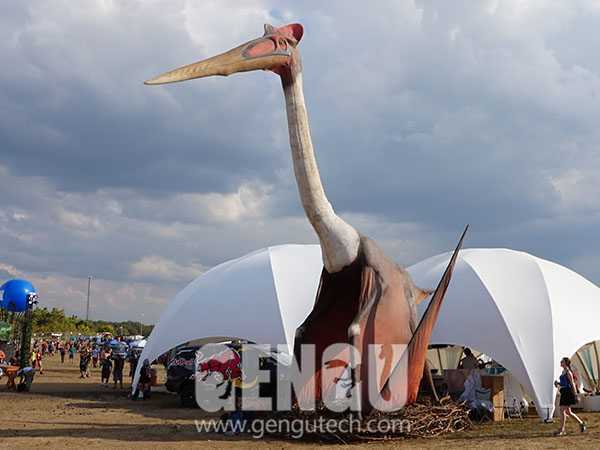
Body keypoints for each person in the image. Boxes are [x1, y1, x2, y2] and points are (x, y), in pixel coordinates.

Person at [554, 357, 586, 436]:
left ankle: (562, 429)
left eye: (562, 361)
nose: (561, 362)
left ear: (565, 363)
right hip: (564, 392)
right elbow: (564, 383)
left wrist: (575, 395)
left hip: (568, 392)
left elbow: (572, 384)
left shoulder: (568, 372)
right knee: (568, 412)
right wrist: (558, 383)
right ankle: (581, 423)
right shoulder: (563, 371)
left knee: (562, 410)